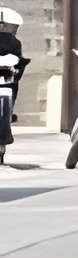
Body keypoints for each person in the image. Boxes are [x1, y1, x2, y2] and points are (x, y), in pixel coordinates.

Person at [0, 9, 27, 163]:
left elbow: (19, 64)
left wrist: (16, 73)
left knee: (13, 88)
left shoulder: (15, 42)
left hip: (8, 81)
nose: (14, 31)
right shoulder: (15, 42)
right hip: (10, 83)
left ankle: (8, 113)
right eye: (13, 27)